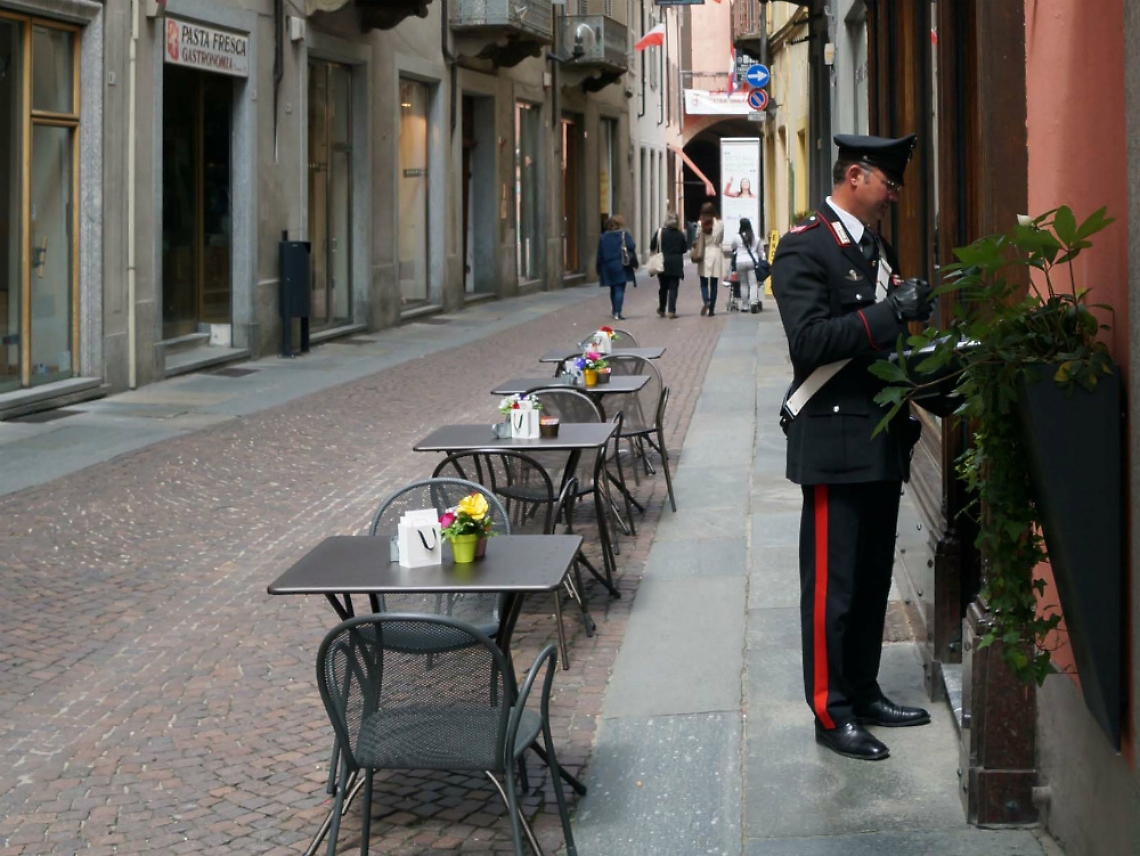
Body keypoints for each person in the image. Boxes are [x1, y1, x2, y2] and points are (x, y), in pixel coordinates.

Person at [771, 133, 936, 762]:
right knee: (831, 588)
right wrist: (893, 312)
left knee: (870, 581)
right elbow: (809, 344)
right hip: (833, 442)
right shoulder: (805, 246)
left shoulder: (875, 248)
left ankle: (863, 691)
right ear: (855, 175)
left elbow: (878, 345)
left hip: (879, 437)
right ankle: (829, 710)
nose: (894, 195)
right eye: (888, 183)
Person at [596, 215, 637, 320]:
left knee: (613, 288)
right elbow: (632, 246)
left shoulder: (603, 237)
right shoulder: (623, 234)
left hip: (608, 266)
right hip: (620, 264)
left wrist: (598, 267)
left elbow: (600, 253)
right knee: (619, 289)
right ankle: (618, 312)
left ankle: (614, 309)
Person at [724, 217, 769, 313]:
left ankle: (744, 306)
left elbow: (733, 247)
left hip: (740, 262)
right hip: (752, 262)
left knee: (743, 283)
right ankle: (753, 302)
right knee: (753, 283)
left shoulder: (737, 237)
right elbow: (760, 252)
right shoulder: (755, 238)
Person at [650, 211, 688, 319]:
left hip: (662, 262)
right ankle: (672, 310)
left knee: (663, 287)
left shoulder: (660, 232)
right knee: (673, 287)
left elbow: (652, 245)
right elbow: (684, 249)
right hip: (676, 263)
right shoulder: (680, 234)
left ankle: (662, 308)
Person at [694, 202, 725, 317]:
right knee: (714, 283)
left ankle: (706, 300)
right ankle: (712, 309)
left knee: (703, 282)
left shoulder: (700, 223)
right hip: (716, 252)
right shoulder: (720, 224)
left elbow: (697, 238)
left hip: (704, 253)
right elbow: (721, 239)